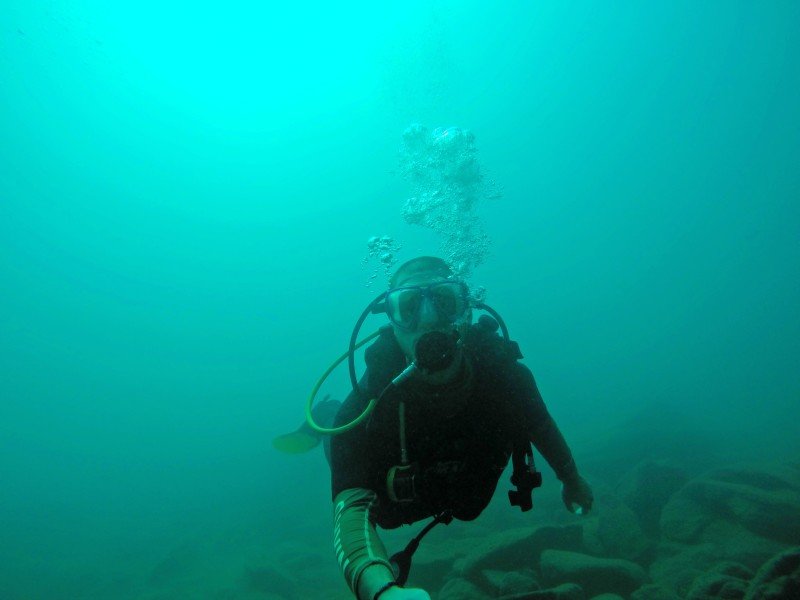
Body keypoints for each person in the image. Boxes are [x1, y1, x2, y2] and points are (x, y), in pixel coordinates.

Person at [328, 256, 593, 600]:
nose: (429, 319)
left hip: (463, 495)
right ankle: (320, 418)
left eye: (445, 301)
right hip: (398, 505)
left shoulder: (506, 377)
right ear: (392, 324)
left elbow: (540, 425)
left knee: (470, 506)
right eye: (407, 307)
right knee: (335, 441)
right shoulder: (365, 407)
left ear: (465, 311)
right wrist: (380, 591)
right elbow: (351, 509)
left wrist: (572, 479)